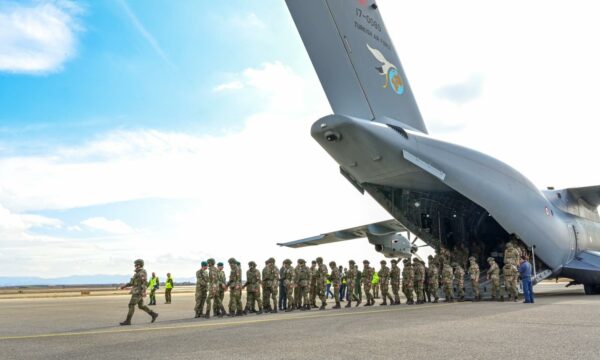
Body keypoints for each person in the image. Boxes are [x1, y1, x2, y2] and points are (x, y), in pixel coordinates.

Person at [119, 259, 158, 325]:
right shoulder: (137, 273)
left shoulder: (142, 272)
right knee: (141, 306)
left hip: (138, 292)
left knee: (131, 305)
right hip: (136, 291)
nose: (135, 266)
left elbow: (145, 283)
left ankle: (128, 321)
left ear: (140, 265)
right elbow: (131, 283)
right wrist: (124, 286)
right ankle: (153, 314)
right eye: (135, 265)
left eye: (136, 264)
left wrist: (144, 291)